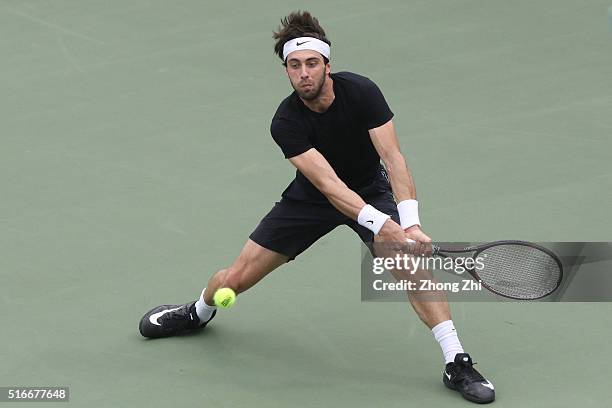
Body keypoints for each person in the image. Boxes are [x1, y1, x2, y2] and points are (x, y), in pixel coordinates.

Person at [138, 11, 495, 404]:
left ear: (328, 65)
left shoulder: (362, 92)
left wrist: (408, 223)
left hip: (369, 188)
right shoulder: (285, 122)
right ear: (286, 71)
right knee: (237, 279)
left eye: (311, 63)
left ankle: (456, 361)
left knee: (411, 267)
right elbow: (328, 185)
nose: (304, 73)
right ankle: (198, 312)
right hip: (310, 200)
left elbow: (393, 158)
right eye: (294, 66)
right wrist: (382, 225)